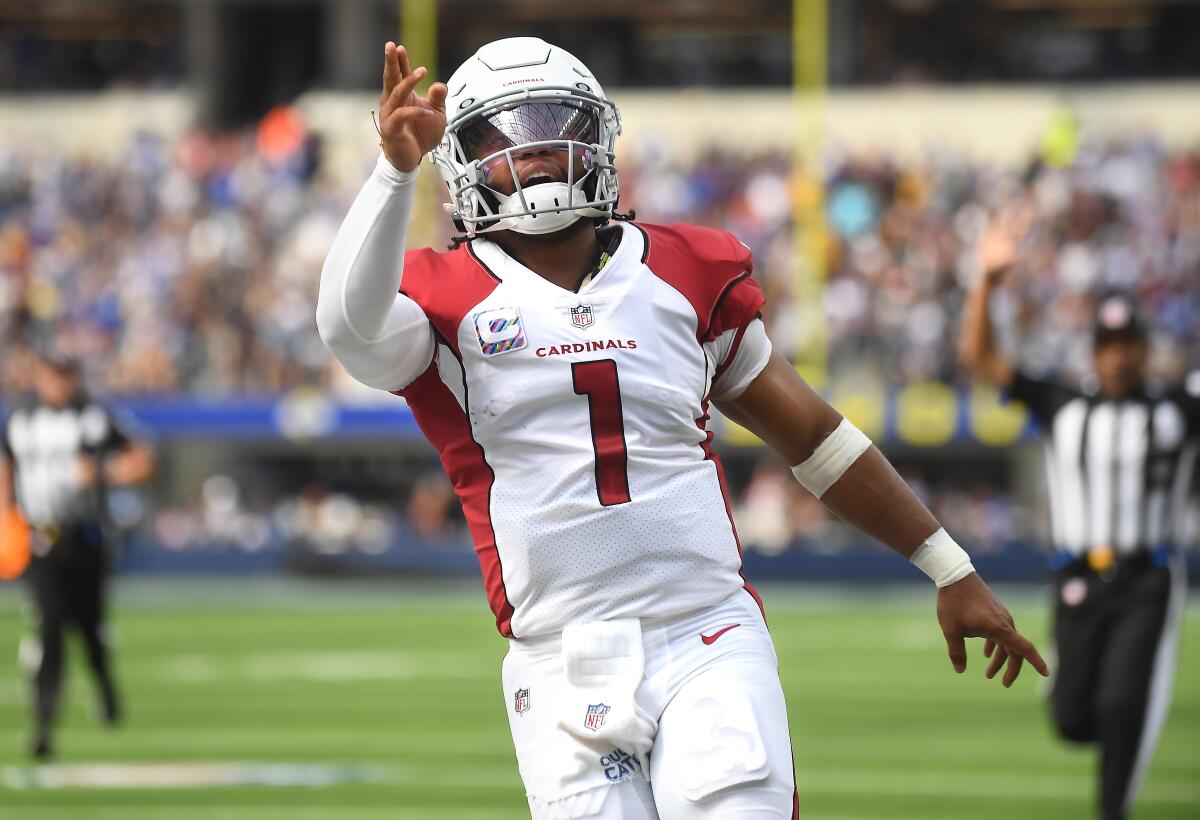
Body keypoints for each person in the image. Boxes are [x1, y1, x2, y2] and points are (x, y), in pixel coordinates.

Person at [318, 37, 1048, 819]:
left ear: (597, 134)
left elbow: (818, 440)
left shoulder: (681, 270)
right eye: (502, 134)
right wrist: (393, 171)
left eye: (551, 121)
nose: (531, 150)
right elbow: (346, 325)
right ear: (460, 158)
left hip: (705, 634)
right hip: (558, 659)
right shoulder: (441, 297)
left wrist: (949, 565)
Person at [960, 225, 1198, 820]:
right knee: (1072, 720)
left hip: (1148, 579)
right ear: (1095, 351)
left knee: (1123, 707)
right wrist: (987, 282)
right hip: (1075, 579)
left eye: (1129, 344)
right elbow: (981, 359)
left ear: (1146, 349)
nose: (1120, 355)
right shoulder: (1062, 405)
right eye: (1110, 344)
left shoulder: (1177, 411)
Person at [0, 352, 154, 759]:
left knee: (90, 629)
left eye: (67, 376)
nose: (60, 385)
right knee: (48, 628)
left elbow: (141, 461)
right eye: (54, 375)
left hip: (84, 538)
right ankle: (43, 726)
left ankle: (104, 687)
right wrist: (6, 516)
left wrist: (103, 473)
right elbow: (7, 466)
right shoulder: (20, 421)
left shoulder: (95, 418)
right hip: (40, 540)